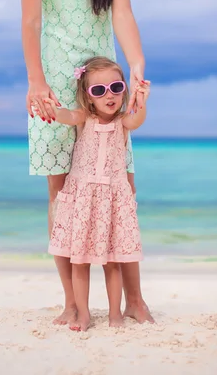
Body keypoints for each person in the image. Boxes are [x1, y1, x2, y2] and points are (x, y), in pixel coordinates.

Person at [21, 0, 153, 325]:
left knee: (122, 187)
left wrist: (135, 67)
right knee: (62, 194)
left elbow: (122, 12)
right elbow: (31, 22)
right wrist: (36, 80)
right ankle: (73, 303)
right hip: (55, 84)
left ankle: (135, 301)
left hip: (103, 87)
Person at [43, 56, 150, 331]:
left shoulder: (123, 123)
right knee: (79, 261)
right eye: (99, 90)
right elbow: (65, 115)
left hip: (111, 201)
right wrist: (49, 107)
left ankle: (116, 314)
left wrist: (142, 100)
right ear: (89, 98)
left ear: (124, 89)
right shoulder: (84, 118)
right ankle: (83, 313)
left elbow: (138, 119)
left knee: (112, 261)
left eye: (116, 87)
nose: (109, 95)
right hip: (83, 200)